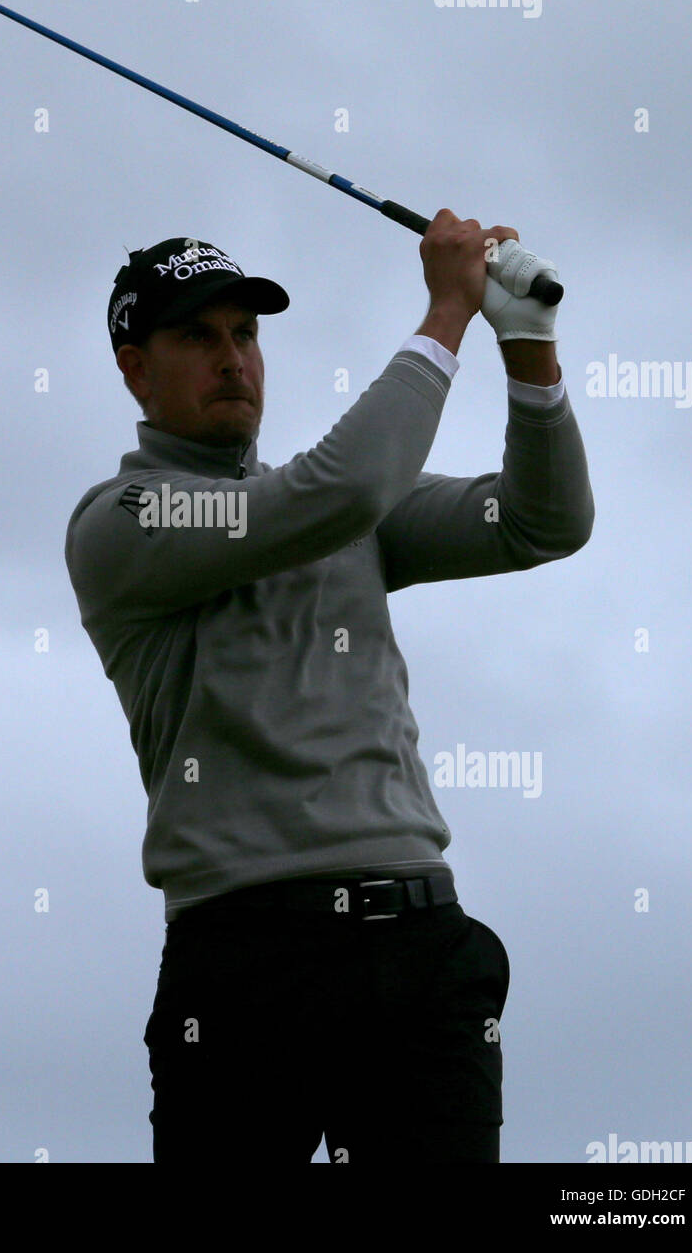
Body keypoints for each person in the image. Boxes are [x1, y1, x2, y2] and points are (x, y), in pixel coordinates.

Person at [64, 214, 594, 1163]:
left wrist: (529, 352)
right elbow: (333, 493)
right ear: (134, 369)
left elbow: (539, 522)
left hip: (421, 944)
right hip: (244, 965)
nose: (232, 360)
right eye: (197, 337)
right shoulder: (124, 519)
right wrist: (444, 314)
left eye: (245, 333)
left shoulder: (335, 504)